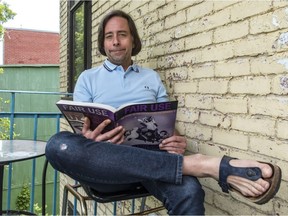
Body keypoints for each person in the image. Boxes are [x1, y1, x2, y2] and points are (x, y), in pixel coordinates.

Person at [45, 10, 282, 215]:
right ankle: (199, 165)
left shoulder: (150, 77)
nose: (116, 41)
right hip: (108, 166)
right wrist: (90, 140)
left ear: (133, 39)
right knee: (58, 145)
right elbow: (82, 128)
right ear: (103, 43)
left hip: (155, 159)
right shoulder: (88, 78)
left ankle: (194, 165)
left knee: (190, 191)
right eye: (109, 36)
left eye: (122, 34)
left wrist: (175, 139)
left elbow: (166, 122)